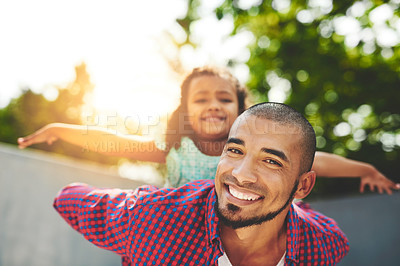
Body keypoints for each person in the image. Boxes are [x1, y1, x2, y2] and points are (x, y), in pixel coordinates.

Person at [18, 66, 399, 193]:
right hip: (178, 237)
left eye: (224, 98)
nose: (213, 104)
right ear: (185, 110)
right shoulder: (172, 148)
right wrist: (60, 129)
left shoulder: (255, 146)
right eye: (201, 100)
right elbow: (110, 141)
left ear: (240, 110)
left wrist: (363, 170)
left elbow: (314, 160)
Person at [54, 102, 349, 265]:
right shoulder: (149, 218)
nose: (243, 174)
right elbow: (69, 197)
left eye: (271, 161)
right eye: (235, 151)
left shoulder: (323, 244)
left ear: (303, 186)